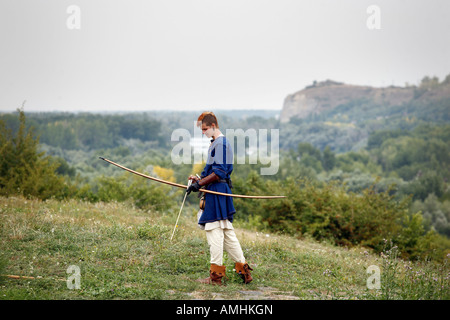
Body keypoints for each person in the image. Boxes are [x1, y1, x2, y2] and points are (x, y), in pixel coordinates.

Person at [187, 111, 253, 285]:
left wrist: (200, 185)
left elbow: (220, 172)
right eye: (202, 129)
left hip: (217, 191)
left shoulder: (221, 143)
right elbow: (212, 170)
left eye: (205, 129)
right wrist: (198, 180)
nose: (203, 132)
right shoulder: (216, 143)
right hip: (215, 189)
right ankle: (245, 272)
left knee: (214, 231)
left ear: (214, 126)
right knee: (227, 233)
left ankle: (216, 277)